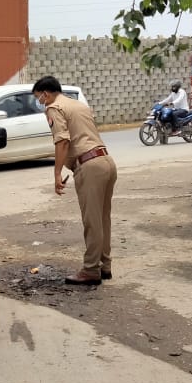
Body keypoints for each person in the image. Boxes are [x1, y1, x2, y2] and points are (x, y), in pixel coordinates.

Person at [33, 75, 118, 285]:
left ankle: (91, 270)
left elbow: (62, 141)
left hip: (89, 166)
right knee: (102, 219)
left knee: (92, 221)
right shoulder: (78, 105)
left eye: (38, 97)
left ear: (46, 94)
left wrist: (56, 174)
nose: (40, 102)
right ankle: (104, 265)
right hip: (106, 161)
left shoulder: (54, 108)